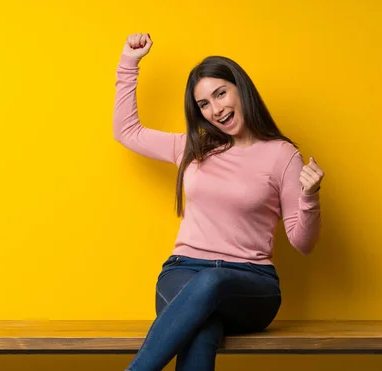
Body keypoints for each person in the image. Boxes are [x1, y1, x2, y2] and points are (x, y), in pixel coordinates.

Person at [113, 33, 324, 371]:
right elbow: (127, 131)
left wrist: (310, 198)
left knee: (210, 285)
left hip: (250, 283)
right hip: (182, 273)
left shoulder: (282, 155)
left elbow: (303, 243)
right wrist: (129, 64)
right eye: (204, 104)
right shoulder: (195, 149)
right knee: (202, 324)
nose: (216, 109)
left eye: (220, 93)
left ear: (241, 88)